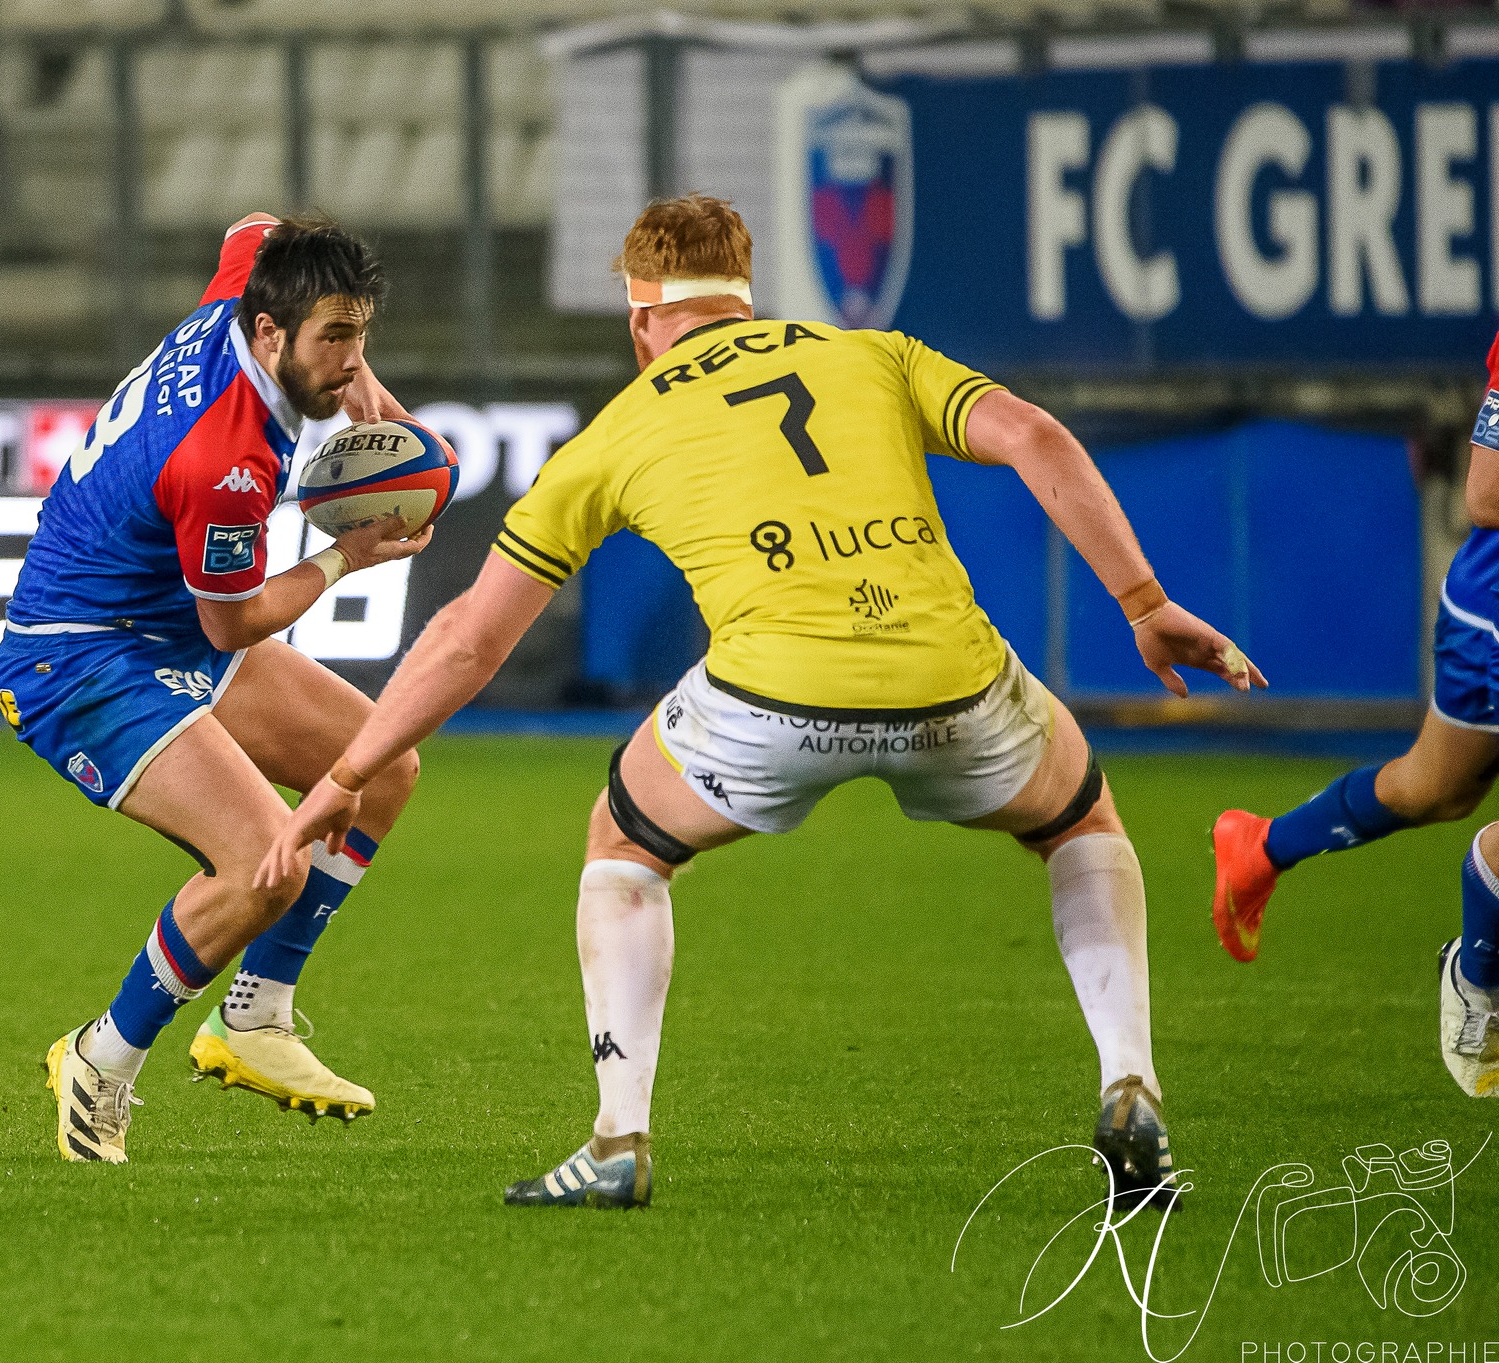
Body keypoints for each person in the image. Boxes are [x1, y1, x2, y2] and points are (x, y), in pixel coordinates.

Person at [257, 194, 1262, 1208]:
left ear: (641, 318)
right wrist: (1143, 602)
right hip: (949, 677)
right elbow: (1036, 437)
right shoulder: (872, 354)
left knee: (622, 843)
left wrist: (347, 773)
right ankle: (1128, 1082)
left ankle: (618, 1139)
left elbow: (469, 639)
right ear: (743, 298)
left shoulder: (616, 432)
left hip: (770, 699)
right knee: (1080, 819)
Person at [0, 214, 431, 1163]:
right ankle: (98, 1062)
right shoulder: (227, 457)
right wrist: (346, 557)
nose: (349, 362)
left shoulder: (254, 280)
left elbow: (254, 225)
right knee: (260, 861)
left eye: (360, 334)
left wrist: (367, 390)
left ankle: (254, 1016)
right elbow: (233, 622)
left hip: (155, 615)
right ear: (270, 333)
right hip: (76, 655)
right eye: (335, 341)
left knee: (384, 765)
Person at [1211, 333, 1499, 1098]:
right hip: (1495, 615)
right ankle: (1478, 975)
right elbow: (1486, 493)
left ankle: (1261, 845)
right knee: (1446, 795)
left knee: (1433, 787)